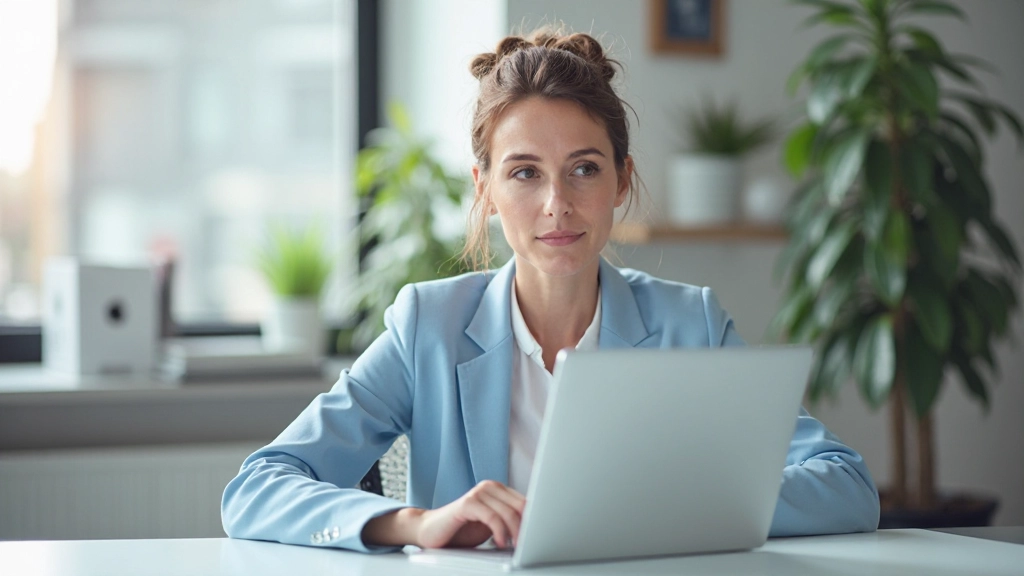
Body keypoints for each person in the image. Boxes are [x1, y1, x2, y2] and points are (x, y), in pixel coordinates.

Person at [221, 27, 880, 553]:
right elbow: (258, 488)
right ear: (484, 190)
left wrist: (671, 507)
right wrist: (417, 523)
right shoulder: (430, 324)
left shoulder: (691, 323)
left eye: (584, 170)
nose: (556, 204)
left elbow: (845, 486)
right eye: (525, 173)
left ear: (621, 181)